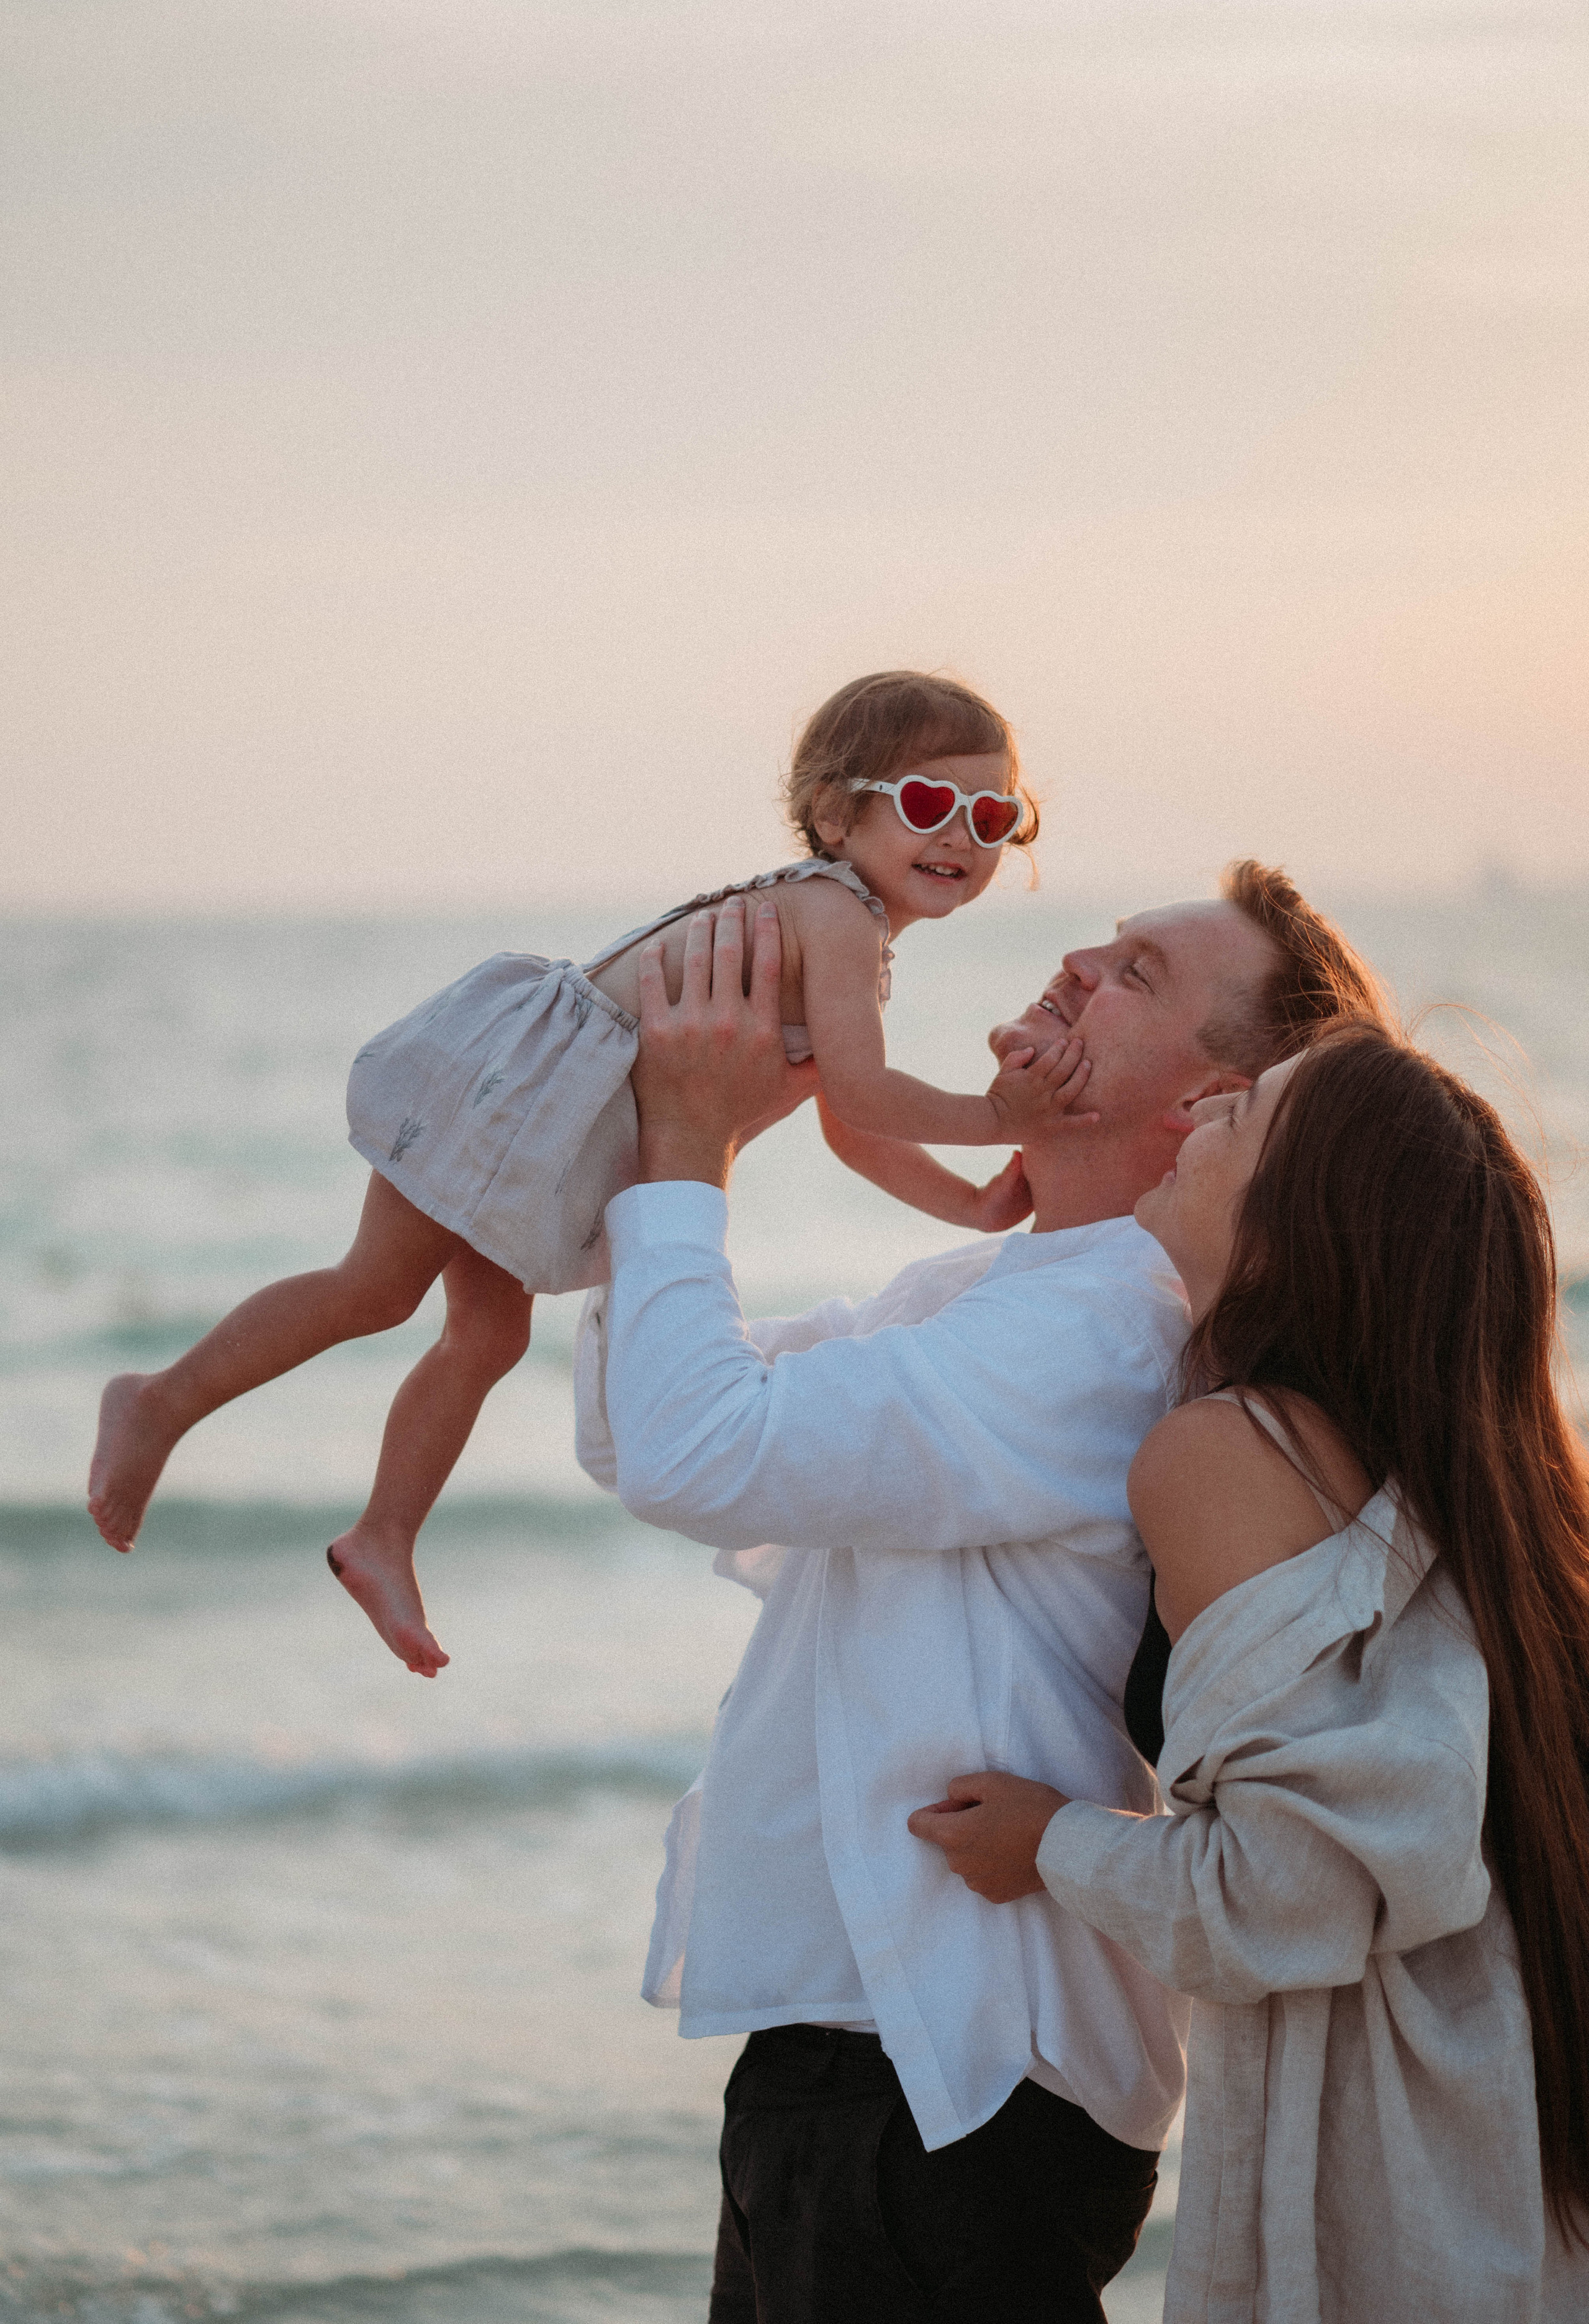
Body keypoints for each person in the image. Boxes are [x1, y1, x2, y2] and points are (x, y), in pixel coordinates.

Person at [574, 862, 1388, 2321]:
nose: (1077, 960)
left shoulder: (1095, 1332)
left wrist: (688, 1149)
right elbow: (636, 1422)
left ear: (1206, 1108)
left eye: (1136, 973)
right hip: (871, 2063)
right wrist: (685, 1141)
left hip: (944, 2081)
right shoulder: (994, 1293)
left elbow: (699, 1450)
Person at [86, 670, 1081, 1673]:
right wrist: (998, 1115)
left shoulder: (850, 936)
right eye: (926, 804)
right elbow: (866, 1095)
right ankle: (158, 1400)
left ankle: (383, 1534)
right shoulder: (837, 917)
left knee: (486, 1337)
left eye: (992, 815)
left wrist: (973, 1201)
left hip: (549, 1115)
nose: (960, 836)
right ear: (834, 815)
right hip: (520, 1088)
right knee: (377, 1290)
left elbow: (845, 1124)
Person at [909, 1020, 1589, 2322]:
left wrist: (1050, 1843)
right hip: (1504, 2138)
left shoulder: (1224, 1450)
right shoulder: (1484, 1490)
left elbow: (1287, 1892)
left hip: (1403, 2170)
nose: (1207, 1110)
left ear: (1297, 1225)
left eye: (1249, 1112)